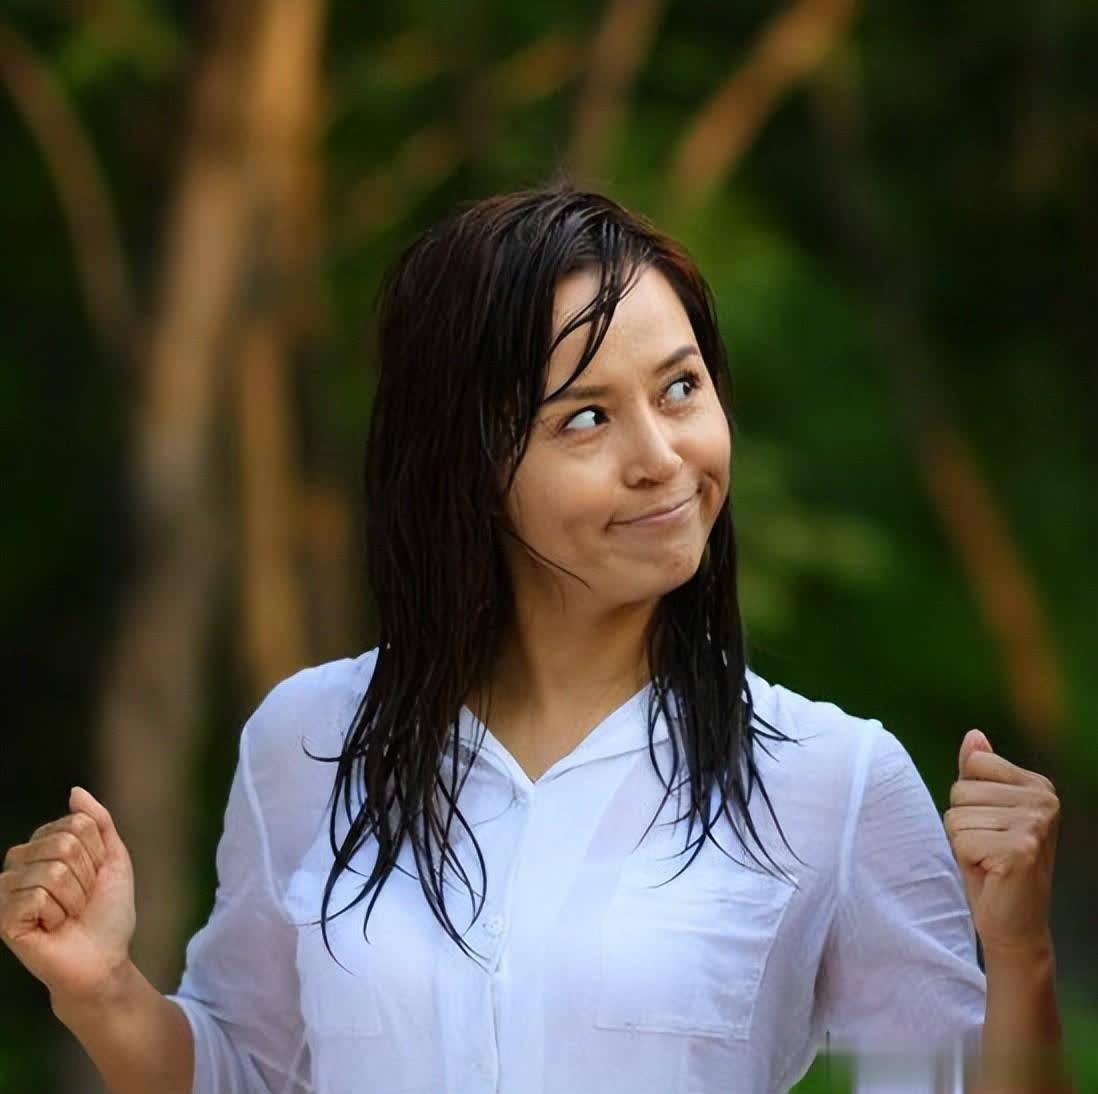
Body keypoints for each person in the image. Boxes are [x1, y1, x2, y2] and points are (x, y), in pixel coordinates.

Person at [0, 181, 1069, 1093]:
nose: (661, 457)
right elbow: (248, 1068)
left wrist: (1019, 950)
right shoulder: (309, 741)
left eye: (680, 388)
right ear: (466, 463)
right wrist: (100, 986)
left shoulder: (832, 780)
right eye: (586, 418)